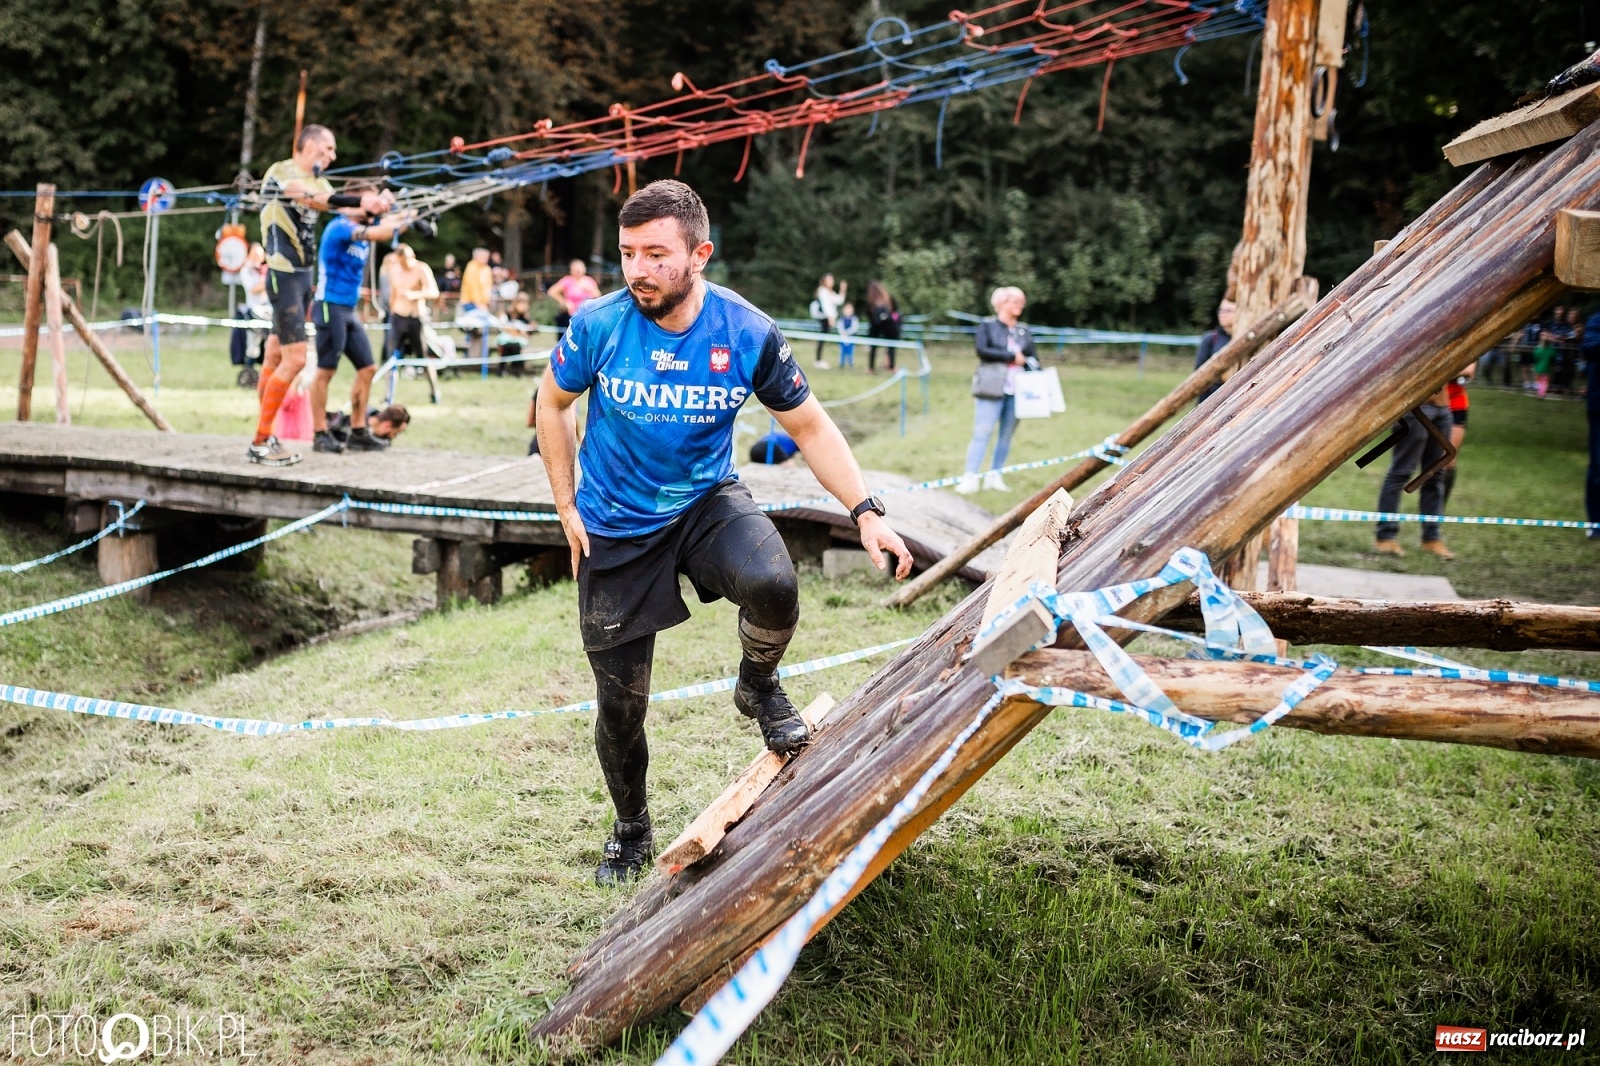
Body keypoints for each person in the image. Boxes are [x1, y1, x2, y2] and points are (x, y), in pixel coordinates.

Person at [535, 180, 913, 885]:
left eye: (656, 254)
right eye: (627, 254)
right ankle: (631, 828)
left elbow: (809, 426)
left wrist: (866, 511)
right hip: (614, 524)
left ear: (699, 254)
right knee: (621, 709)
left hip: (705, 503)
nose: (638, 270)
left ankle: (757, 686)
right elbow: (550, 404)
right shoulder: (598, 326)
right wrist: (566, 506)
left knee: (773, 583)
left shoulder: (746, 332)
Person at [250, 124, 393, 466]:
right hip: (282, 273)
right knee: (295, 360)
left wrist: (380, 204)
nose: (332, 156)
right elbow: (310, 197)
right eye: (327, 149)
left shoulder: (323, 183)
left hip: (302, 279)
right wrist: (362, 199)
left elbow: (343, 208)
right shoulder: (282, 172)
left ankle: (264, 435)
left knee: (273, 357)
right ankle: (259, 442)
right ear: (308, 144)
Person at [308, 205, 419, 453]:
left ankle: (358, 431)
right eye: (373, 202)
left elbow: (389, 218)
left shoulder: (368, 222)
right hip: (329, 304)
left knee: (367, 368)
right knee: (325, 371)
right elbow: (376, 233)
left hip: (348, 308)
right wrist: (403, 222)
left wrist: (412, 214)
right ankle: (319, 433)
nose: (377, 207)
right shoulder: (341, 226)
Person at [957, 286, 1038, 495]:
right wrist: (1011, 357)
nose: (1019, 304)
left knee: (1006, 435)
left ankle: (995, 475)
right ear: (1001, 303)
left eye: (1021, 301)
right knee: (982, 432)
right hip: (991, 386)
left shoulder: (1024, 331)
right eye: (1014, 300)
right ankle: (970, 477)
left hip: (1018, 391)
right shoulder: (988, 326)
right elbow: (982, 351)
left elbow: (1033, 356)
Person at [1373, 380, 1456, 560]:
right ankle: (1385, 537)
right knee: (1400, 473)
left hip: (1442, 407)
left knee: (1435, 475)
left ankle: (1432, 538)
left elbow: (1468, 369)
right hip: (1414, 407)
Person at [385, 243, 442, 404]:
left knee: (423, 357)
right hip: (398, 316)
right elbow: (393, 293)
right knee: (391, 357)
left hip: (416, 317)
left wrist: (415, 295)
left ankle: (434, 391)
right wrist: (390, 311)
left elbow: (434, 292)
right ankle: (388, 395)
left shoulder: (421, 269)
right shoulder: (394, 270)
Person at [229, 243, 270, 380]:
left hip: (269, 310)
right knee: (253, 343)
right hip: (255, 310)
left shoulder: (266, 270)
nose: (258, 257)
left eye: (260, 254)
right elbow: (252, 289)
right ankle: (249, 373)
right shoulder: (246, 271)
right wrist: (267, 279)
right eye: (255, 254)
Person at [1193, 298, 1236, 404]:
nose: (1222, 314)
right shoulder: (1211, 338)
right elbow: (1199, 370)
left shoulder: (1245, 338)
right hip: (1211, 397)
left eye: (1228, 311)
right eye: (1221, 310)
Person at [548, 258, 602, 328]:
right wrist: (564, 302)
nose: (578, 271)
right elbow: (551, 291)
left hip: (587, 314)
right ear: (572, 270)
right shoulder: (567, 280)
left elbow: (598, 295)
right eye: (576, 269)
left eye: (580, 269)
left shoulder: (588, 281)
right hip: (572, 314)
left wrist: (589, 290)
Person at [1584, 308, 1600, 540]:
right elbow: (1588, 348)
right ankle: (1596, 522)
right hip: (1599, 406)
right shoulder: (1597, 320)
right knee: (1599, 467)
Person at [811, 273, 846, 368]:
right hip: (824, 318)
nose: (832, 281)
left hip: (828, 318)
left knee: (823, 338)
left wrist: (842, 290)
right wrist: (830, 317)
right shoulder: (822, 291)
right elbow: (826, 306)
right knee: (822, 338)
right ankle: (818, 360)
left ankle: (819, 359)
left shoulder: (829, 292)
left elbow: (839, 301)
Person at [864, 280, 900, 373]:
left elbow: (869, 315)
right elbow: (895, 310)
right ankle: (892, 366)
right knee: (891, 346)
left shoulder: (871, 302)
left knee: (873, 347)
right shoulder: (888, 298)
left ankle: (871, 367)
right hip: (889, 325)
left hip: (877, 326)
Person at [495, 292, 534, 377]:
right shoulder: (507, 315)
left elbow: (528, 331)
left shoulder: (526, 319)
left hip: (518, 342)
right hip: (506, 340)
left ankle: (517, 370)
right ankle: (502, 370)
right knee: (507, 347)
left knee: (515, 347)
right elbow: (504, 327)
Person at [837, 302, 858, 370]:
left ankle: (851, 364)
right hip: (843, 338)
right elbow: (840, 327)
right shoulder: (841, 319)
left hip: (851, 338)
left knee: (850, 352)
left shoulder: (854, 318)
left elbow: (854, 328)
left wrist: (847, 332)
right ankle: (841, 364)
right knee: (842, 352)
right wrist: (843, 333)